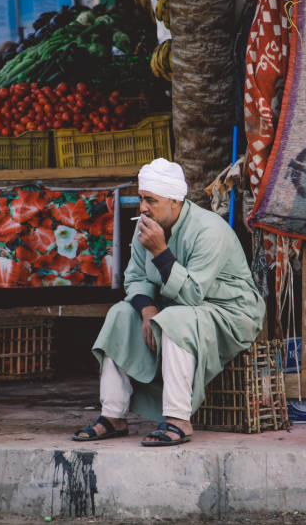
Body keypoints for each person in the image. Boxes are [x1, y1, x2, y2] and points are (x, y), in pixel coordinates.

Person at [72, 158, 265, 446]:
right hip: (178, 307)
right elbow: (135, 279)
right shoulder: (147, 228)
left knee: (174, 319)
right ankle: (113, 415)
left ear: (175, 201)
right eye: (141, 199)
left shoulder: (208, 230)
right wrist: (148, 309)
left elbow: (192, 295)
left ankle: (178, 420)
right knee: (121, 313)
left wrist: (161, 252)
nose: (143, 208)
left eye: (151, 200)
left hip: (230, 313)